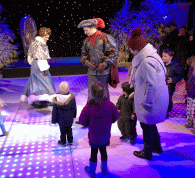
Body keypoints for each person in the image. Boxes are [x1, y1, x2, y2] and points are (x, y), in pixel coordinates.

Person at [128, 28, 169, 161]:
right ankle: (157, 147)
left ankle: (147, 152)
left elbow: (151, 84)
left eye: (130, 49)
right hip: (157, 97)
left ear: (136, 49)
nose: (130, 51)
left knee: (146, 125)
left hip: (152, 99)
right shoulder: (152, 55)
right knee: (151, 124)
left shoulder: (146, 62)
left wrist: (147, 103)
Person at [79, 82, 119, 177]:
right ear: (104, 92)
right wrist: (110, 121)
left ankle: (92, 172)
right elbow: (116, 116)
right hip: (105, 134)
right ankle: (104, 170)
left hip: (94, 135)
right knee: (103, 151)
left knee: (93, 153)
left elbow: (82, 120)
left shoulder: (89, 107)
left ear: (92, 94)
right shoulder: (110, 105)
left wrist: (87, 124)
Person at [77, 18, 118, 101]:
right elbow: (83, 55)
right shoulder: (86, 41)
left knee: (104, 92)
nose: (85, 33)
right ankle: (91, 111)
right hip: (92, 72)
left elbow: (114, 53)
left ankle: (106, 110)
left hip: (103, 72)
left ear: (93, 28)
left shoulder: (105, 37)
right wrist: (87, 62)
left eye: (86, 30)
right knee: (91, 92)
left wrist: (105, 64)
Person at [20, 27, 56, 106]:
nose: (47, 39)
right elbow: (41, 57)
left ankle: (31, 97)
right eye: (46, 37)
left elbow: (30, 55)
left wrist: (32, 62)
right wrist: (43, 65)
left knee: (34, 80)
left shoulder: (35, 42)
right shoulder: (40, 44)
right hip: (40, 64)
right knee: (45, 80)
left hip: (35, 64)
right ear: (43, 35)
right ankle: (49, 97)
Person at [51, 81, 77, 146]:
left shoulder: (56, 99)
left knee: (62, 132)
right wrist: (74, 115)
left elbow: (54, 111)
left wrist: (54, 120)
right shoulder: (71, 99)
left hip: (61, 120)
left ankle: (63, 142)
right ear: (68, 89)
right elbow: (74, 108)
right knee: (69, 130)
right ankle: (70, 141)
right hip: (69, 119)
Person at [162, 49, 184, 117]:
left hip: (169, 86)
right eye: (162, 56)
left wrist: (172, 79)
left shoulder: (175, 65)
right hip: (160, 85)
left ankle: (166, 111)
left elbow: (180, 76)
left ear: (171, 57)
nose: (163, 57)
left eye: (165, 56)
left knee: (167, 99)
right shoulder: (161, 64)